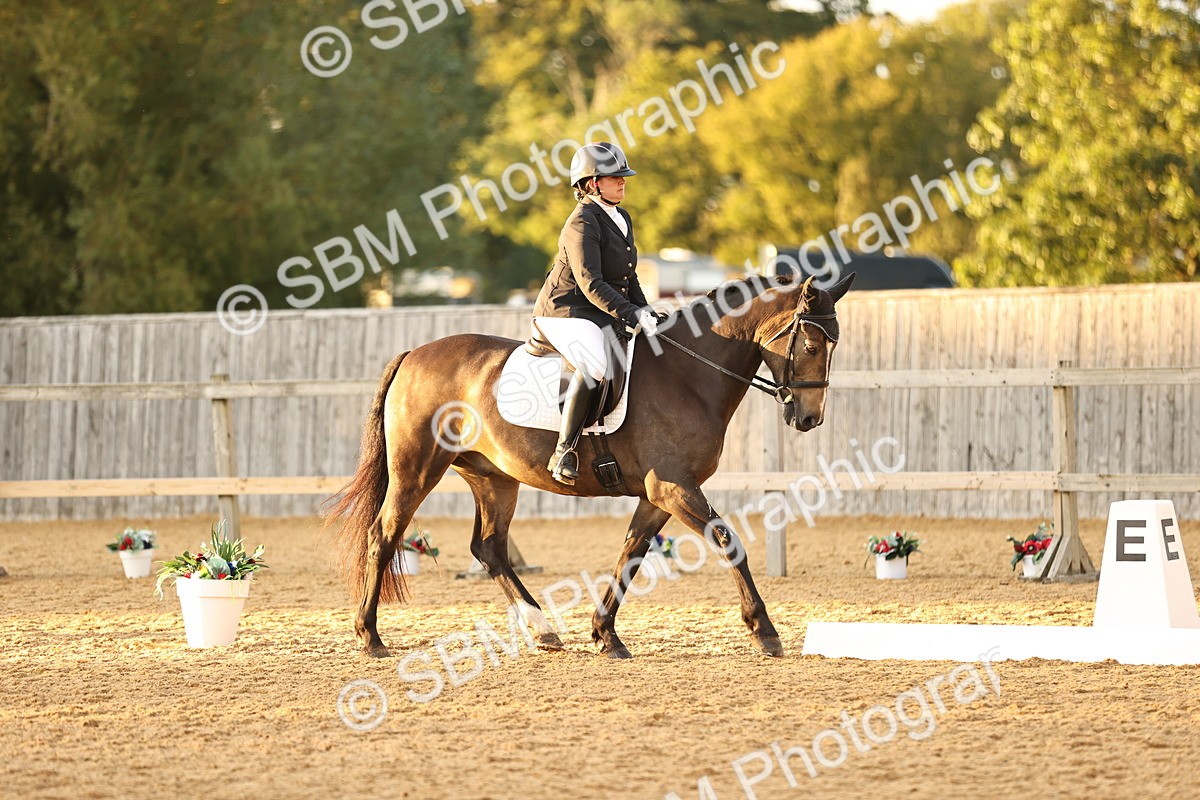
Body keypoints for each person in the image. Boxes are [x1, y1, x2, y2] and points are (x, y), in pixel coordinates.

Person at [532, 141, 662, 485]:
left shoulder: (620, 217)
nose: (623, 182)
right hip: (565, 310)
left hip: (597, 311)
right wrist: (631, 315)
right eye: (615, 177)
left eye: (623, 176)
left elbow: (628, 276)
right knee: (595, 362)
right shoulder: (581, 222)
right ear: (591, 184)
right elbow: (591, 283)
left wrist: (646, 311)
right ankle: (563, 451)